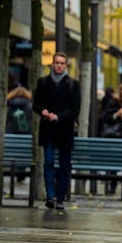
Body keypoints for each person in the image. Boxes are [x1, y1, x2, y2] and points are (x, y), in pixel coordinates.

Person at [33, 52, 80, 210]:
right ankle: (51, 196)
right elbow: (36, 104)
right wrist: (43, 111)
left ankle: (60, 198)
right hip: (48, 130)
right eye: (57, 63)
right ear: (52, 64)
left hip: (65, 131)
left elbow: (75, 109)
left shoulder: (73, 85)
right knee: (48, 162)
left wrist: (58, 116)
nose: (59, 66)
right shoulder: (43, 83)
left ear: (66, 65)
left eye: (62, 63)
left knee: (64, 165)